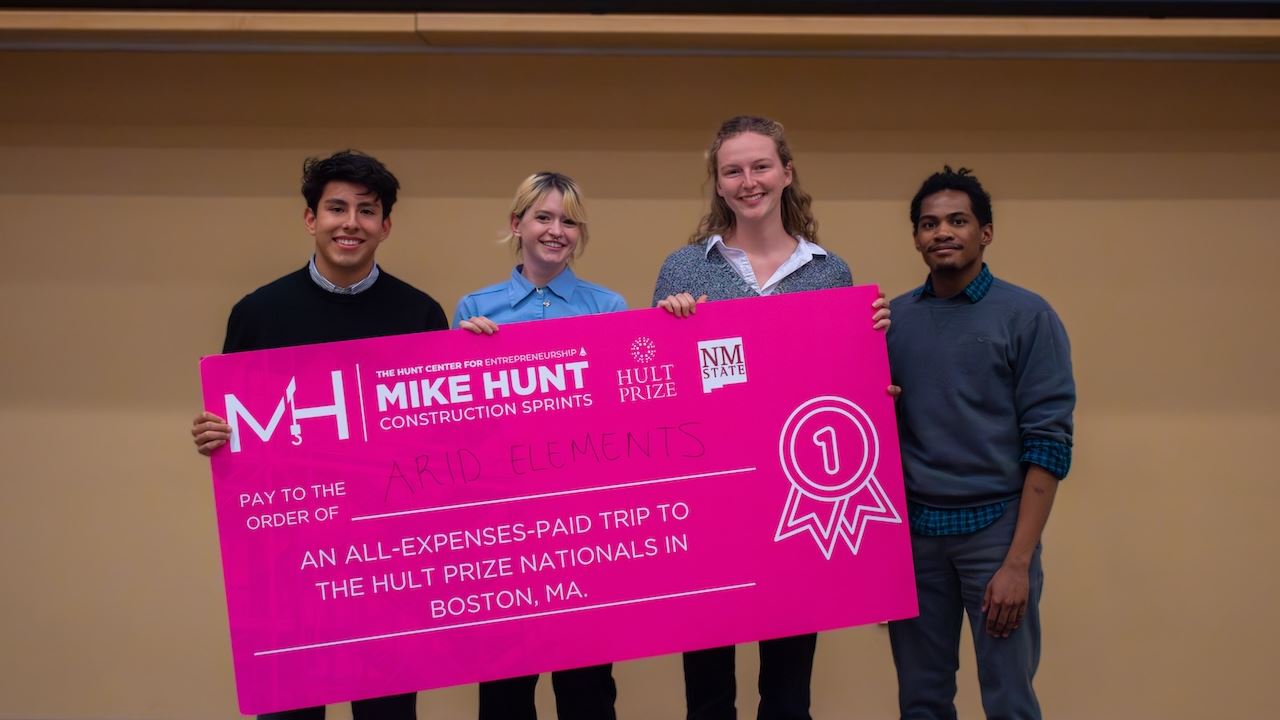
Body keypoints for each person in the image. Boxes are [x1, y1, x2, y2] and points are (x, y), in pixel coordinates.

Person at [190, 149, 448, 720]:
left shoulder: (422, 316)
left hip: (387, 559)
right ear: (311, 218)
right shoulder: (257, 314)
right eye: (336, 208)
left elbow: (433, 439)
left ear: (386, 225)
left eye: (366, 210)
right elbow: (239, 431)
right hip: (286, 560)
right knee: (289, 711)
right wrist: (217, 434)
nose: (349, 222)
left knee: (386, 712)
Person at [653, 115, 890, 720]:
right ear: (718, 183)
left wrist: (871, 368)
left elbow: (839, 397)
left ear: (786, 173)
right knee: (707, 695)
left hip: (796, 506)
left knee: (787, 695)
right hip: (709, 506)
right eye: (732, 170)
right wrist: (666, 329)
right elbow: (656, 390)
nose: (747, 181)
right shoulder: (683, 270)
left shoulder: (830, 273)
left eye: (760, 166)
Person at [886, 166, 1075, 720]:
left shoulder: (1028, 316)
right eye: (928, 223)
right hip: (916, 538)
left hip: (997, 535)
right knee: (921, 701)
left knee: (1009, 700)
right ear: (917, 238)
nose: (942, 232)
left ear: (985, 233)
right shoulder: (891, 320)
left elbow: (1049, 444)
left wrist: (1017, 563)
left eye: (957, 221)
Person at [455, 171, 625, 720]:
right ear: (517, 225)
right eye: (544, 217)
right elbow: (455, 427)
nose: (556, 231)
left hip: (583, 525)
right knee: (504, 695)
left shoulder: (609, 308)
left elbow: (624, 411)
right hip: (503, 531)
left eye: (569, 221)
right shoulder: (474, 311)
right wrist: (463, 357)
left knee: (588, 691)